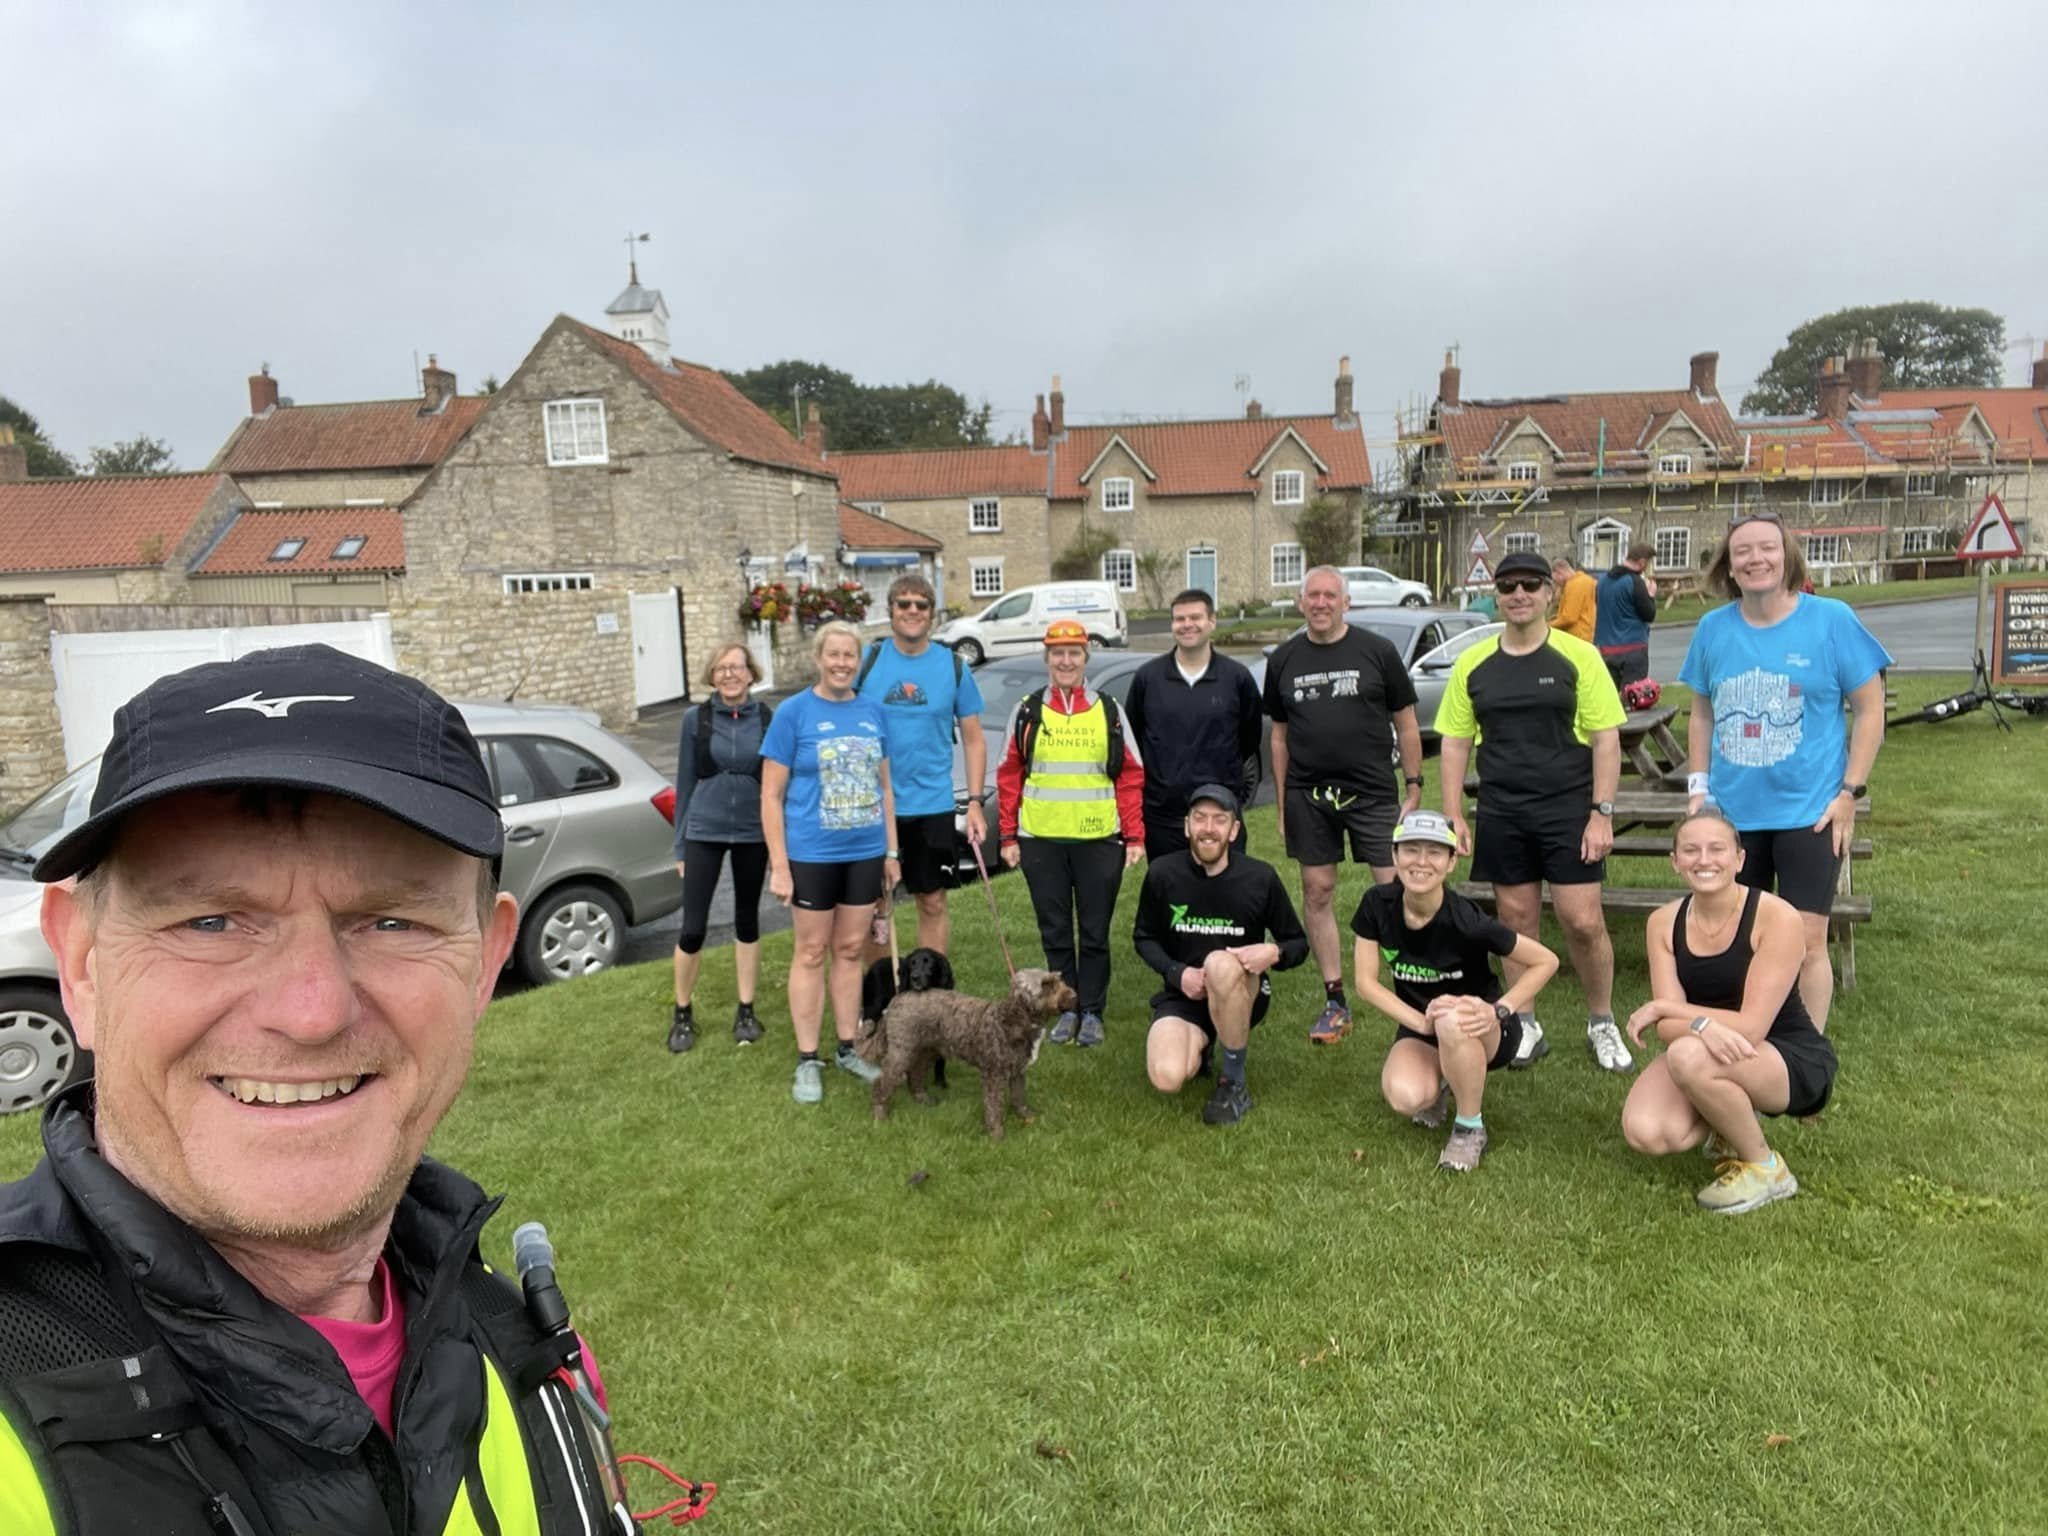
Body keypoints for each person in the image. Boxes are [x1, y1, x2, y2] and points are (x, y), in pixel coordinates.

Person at [0, 645, 633, 1534]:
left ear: (484, 965)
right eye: (210, 921)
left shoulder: (517, 1342)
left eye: (391, 921)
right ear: (82, 964)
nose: (312, 1011)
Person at [1678, 512, 1889, 1031]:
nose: (1756, 559)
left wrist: (1850, 792)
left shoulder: (1831, 620)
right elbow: (1701, 713)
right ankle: (1743, 1041)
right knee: (1738, 938)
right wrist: (1698, 788)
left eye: (1767, 548)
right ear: (1729, 566)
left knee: (1807, 940)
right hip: (1733, 814)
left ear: (1787, 554)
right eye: (1743, 551)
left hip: (1810, 812)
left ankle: (1806, 1053)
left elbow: (1870, 709)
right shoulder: (1712, 629)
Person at [1437, 551, 1632, 1072]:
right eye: (1508, 586)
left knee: (1582, 920)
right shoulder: (1473, 663)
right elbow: (1455, 742)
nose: (1518, 594)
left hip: (1568, 807)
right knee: (1516, 920)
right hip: (1502, 808)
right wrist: (1453, 813)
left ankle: (1601, 1020)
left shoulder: (1579, 656)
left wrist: (1602, 813)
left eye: (1530, 585)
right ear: (1496, 596)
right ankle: (1525, 1022)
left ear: (1550, 592)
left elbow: (1606, 740)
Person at [1620, 807, 1838, 1214]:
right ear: (1675, 861)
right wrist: (1696, 1024)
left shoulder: (1777, 917)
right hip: (1704, 1045)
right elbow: (1666, 1028)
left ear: (1739, 859)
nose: (1704, 860)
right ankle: (1726, 1118)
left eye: (1717, 849)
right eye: (1691, 850)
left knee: (1686, 1056)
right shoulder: (1662, 923)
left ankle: (1766, 1168)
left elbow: (1752, 1027)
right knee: (1647, 1131)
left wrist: (1675, 1012)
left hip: (1787, 1055)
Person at [1262, 564, 1423, 1046]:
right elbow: (1279, 737)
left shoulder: (1377, 651)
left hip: (1373, 792)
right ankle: (1335, 1000)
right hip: (1309, 796)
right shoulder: (1283, 659)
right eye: (1312, 595)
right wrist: (1283, 803)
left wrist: (1414, 787)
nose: (1321, 603)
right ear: (1300, 602)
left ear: (1346, 602)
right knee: (1317, 891)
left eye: (1330, 595)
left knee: (1398, 890)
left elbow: (1407, 724)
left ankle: (1415, 992)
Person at [1351, 810, 1560, 1172]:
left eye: (1434, 852)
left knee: (1451, 1018)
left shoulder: (1467, 920)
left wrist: (1499, 1009)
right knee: (1406, 1097)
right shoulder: (1376, 904)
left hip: (1486, 1027)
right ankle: (1446, 1082)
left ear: (1450, 863)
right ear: (1395, 855)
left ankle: (1469, 1128)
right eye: (1411, 850)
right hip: (1425, 1024)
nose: (1421, 862)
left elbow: (1546, 960)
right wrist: (1420, 1022)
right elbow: (1365, 983)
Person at [761, 620, 898, 1104]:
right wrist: (780, 865)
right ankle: (807, 1059)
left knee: (851, 949)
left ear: (858, 661)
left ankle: (846, 1047)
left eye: (849, 655)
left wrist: (891, 851)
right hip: (811, 854)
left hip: (864, 853)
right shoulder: (793, 714)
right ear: (818, 658)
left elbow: (885, 788)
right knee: (811, 952)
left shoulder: (873, 712)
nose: (842, 663)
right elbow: (771, 795)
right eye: (834, 655)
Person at [995, 618, 1146, 1048]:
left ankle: (1092, 1010)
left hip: (1099, 840)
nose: (1065, 661)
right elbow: (1009, 775)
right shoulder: (1027, 710)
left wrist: (1134, 836)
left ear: (1085, 658)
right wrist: (1008, 836)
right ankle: (1067, 1010)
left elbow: (1130, 775)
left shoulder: (1108, 710)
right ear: (1047, 659)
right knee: (1055, 931)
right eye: (1057, 653)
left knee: (1095, 932)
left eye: (1074, 653)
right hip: (1041, 840)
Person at [1131, 784, 1308, 1126]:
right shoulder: (1163, 874)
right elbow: (1144, 937)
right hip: (1186, 993)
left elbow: (1297, 943)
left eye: (1219, 820)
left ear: (1234, 830)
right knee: (1167, 1077)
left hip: (1243, 990)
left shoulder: (1259, 877)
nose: (1208, 828)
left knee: (1219, 964)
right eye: (1200, 819)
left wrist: (1273, 951)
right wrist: (1177, 973)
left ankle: (1233, 1082)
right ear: (1187, 826)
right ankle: (1205, 1046)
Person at [855, 572, 987, 956]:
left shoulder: (953, 666)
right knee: (876, 907)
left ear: (932, 613)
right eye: (904, 603)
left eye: (921, 604)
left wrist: (975, 802)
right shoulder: (868, 661)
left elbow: (974, 739)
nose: (912, 610)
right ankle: (880, 988)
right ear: (890, 610)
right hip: (873, 806)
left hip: (931, 804)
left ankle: (930, 990)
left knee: (932, 902)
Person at [668, 641, 771, 1052]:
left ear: (751, 673)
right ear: (712, 676)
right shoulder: (695, 719)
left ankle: (746, 1010)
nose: (730, 675)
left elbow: (778, 784)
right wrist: (680, 846)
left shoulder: (767, 718)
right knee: (693, 928)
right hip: (703, 832)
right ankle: (682, 1013)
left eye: (737, 667)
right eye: (721, 668)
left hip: (753, 833)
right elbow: (684, 782)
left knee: (747, 922)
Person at [1122, 587, 1264, 861]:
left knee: (1223, 886)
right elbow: (1134, 741)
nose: (1187, 625)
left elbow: (1249, 739)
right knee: (1168, 886)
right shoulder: (1148, 678)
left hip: (1219, 812)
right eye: (1180, 619)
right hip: (1163, 816)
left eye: (1195, 617)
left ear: (1212, 621)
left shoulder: (1237, 678)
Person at [1594, 541, 1659, 689]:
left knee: (1609, 697)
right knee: (1633, 696)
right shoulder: (1635, 582)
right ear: (1642, 562)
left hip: (1606, 649)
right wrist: (1650, 595)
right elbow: (1649, 614)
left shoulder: (1602, 581)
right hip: (1633, 648)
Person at [1551, 553, 1598, 642]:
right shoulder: (1588, 580)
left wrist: (1548, 626)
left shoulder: (1574, 585)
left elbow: (1568, 618)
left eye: (1555, 580)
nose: (1556, 583)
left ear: (1559, 572)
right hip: (1587, 634)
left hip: (1576, 637)